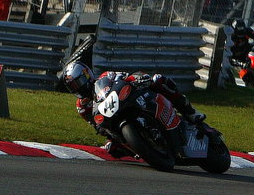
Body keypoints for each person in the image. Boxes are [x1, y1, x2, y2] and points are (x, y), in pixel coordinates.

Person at [62, 62, 205, 158]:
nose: (78, 87)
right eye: (73, 87)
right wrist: (103, 132)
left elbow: (126, 77)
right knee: (111, 148)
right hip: (113, 124)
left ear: (86, 75)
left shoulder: (106, 76)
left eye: (78, 82)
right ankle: (138, 150)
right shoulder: (82, 106)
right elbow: (96, 126)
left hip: (128, 101)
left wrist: (139, 79)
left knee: (158, 80)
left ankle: (190, 112)